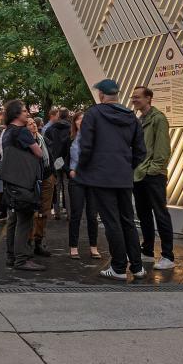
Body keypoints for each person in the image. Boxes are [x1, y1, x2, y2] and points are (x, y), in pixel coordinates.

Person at [76, 79, 146, 281]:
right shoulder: (131, 117)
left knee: (111, 222)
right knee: (128, 221)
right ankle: (138, 267)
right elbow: (141, 151)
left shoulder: (93, 114)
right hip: (123, 177)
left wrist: (83, 169)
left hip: (101, 177)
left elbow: (86, 147)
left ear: (101, 95)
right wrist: (126, 167)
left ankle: (118, 267)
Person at [130, 86, 176, 271]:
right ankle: (148, 251)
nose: (134, 100)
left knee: (160, 213)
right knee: (143, 215)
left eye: (137, 97)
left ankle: (168, 255)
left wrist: (153, 170)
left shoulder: (158, 119)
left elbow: (163, 149)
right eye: (133, 97)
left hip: (152, 175)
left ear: (149, 98)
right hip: (139, 174)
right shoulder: (140, 119)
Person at [0, 99, 45, 272]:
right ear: (17, 114)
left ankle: (11, 256)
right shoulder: (22, 132)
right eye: (25, 111)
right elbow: (39, 153)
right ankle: (22, 259)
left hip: (11, 181)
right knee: (24, 221)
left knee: (13, 220)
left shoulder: (6, 133)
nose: (28, 113)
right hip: (24, 181)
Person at [67, 111, 102, 260]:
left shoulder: (96, 139)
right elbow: (60, 158)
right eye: (78, 119)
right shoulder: (69, 139)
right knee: (76, 214)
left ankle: (93, 247)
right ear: (74, 123)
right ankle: (73, 247)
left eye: (84, 119)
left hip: (92, 180)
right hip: (76, 180)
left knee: (92, 215)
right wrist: (68, 170)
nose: (81, 121)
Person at [27, 116, 56, 258]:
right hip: (32, 180)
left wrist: (53, 175)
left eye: (33, 123)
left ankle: (39, 242)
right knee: (32, 211)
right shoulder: (25, 141)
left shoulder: (43, 139)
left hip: (47, 177)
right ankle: (28, 241)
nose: (33, 125)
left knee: (44, 211)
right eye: (29, 124)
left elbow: (51, 157)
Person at [45, 108, 73, 221]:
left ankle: (57, 213)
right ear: (67, 116)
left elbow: (47, 145)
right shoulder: (71, 128)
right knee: (67, 186)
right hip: (66, 160)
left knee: (57, 186)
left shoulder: (51, 128)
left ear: (59, 115)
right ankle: (70, 213)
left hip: (56, 160)